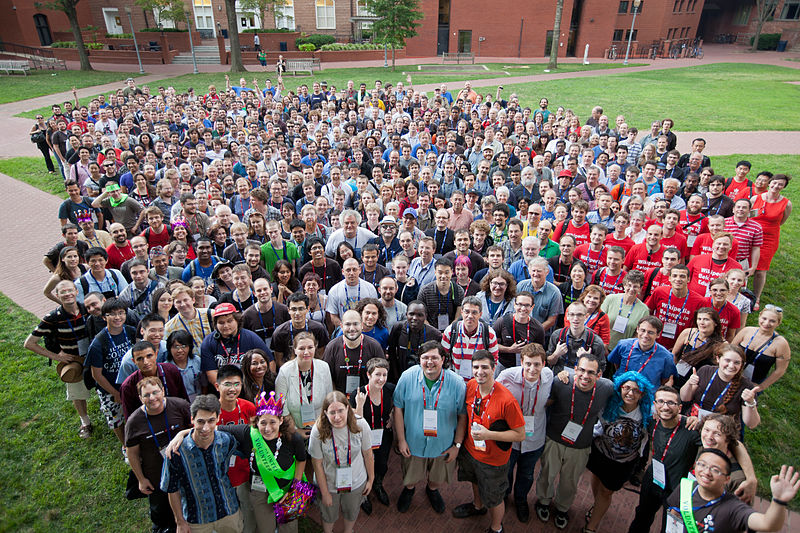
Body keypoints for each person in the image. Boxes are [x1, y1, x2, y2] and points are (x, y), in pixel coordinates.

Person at [534, 352, 614, 530]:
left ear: (599, 375)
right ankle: (543, 502)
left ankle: (562, 508)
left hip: (580, 445)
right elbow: (543, 401)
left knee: (570, 480)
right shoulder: (560, 382)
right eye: (582, 370)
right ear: (575, 369)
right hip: (554, 438)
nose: (586, 376)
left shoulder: (606, 388)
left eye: (591, 372)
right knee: (547, 474)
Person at [452, 350, 525, 533]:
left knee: (494, 497)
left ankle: (496, 527)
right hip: (470, 451)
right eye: (476, 367)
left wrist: (489, 435)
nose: (479, 371)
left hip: (493, 460)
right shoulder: (470, 386)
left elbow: (520, 434)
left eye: (485, 367)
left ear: (494, 369)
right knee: (474, 481)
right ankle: (478, 507)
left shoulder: (507, 401)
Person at [393, 340, 467, 514]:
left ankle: (432, 490)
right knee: (410, 477)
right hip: (413, 443)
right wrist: (402, 440)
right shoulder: (407, 377)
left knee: (437, 478)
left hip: (443, 445)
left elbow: (462, 416)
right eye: (425, 357)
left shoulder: (457, 383)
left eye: (434, 357)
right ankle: (409, 490)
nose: (429, 362)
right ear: (419, 359)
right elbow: (398, 408)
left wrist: (457, 445)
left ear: (443, 359)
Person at [583, 371, 655, 533]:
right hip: (600, 454)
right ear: (620, 388)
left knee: (607, 491)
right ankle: (597, 505)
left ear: (642, 394)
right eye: (626, 388)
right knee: (597, 479)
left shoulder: (648, 414)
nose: (630, 393)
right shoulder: (608, 405)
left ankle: (591, 528)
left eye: (636, 390)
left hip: (624, 463)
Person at [161, 395, 244, 533]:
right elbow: (172, 489)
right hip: (197, 520)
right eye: (200, 421)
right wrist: (180, 522)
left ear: (218, 418)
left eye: (211, 421)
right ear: (192, 419)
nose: (205, 428)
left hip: (229, 512)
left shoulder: (227, 441)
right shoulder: (176, 452)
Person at [665, 449, 800, 533]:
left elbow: (768, 524)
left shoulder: (733, 508)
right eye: (702, 464)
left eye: (715, 469)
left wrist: (779, 500)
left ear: (726, 479)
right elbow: (674, 512)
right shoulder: (686, 487)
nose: (706, 472)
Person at [627, 385, 702, 533]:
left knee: (671, 527)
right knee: (642, 516)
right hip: (653, 477)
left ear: (679, 408)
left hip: (677, 488)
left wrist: (750, 477)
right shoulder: (652, 421)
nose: (665, 407)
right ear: (655, 405)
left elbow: (730, 443)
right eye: (660, 402)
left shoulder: (691, 429)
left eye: (671, 403)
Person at [24, 280, 94, 439]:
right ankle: (85, 423)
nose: (68, 294)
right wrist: (56, 356)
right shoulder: (52, 317)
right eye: (63, 292)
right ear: (57, 296)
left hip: (92, 357)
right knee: (77, 393)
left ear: (76, 292)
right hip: (74, 361)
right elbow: (29, 343)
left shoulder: (87, 309)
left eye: (70, 290)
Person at [125, 377, 192, 533]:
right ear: (140, 398)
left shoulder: (180, 406)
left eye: (155, 392)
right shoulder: (134, 422)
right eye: (146, 395)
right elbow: (132, 454)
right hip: (157, 477)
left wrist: (182, 433)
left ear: (163, 391)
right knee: (163, 519)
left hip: (187, 470)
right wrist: (141, 479)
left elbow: (197, 429)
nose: (152, 398)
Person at [496, 343, 554, 523]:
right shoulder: (506, 377)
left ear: (544, 364)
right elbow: (493, 396)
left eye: (537, 364)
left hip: (534, 437)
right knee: (506, 472)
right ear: (521, 362)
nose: (532, 368)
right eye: (528, 363)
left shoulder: (549, 376)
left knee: (527, 473)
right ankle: (504, 497)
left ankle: (521, 500)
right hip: (511, 438)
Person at [309, 391, 375, 533]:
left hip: (356, 481)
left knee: (351, 511)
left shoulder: (361, 425)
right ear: (325, 412)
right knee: (328, 515)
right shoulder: (318, 430)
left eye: (340, 411)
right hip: (329, 484)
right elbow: (317, 464)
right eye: (332, 412)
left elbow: (368, 454)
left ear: (347, 408)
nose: (337, 417)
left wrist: (371, 479)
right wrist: (325, 493)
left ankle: (348, 531)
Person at [87, 297, 136, 448]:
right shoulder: (98, 342)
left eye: (121, 313)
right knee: (117, 419)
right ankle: (126, 446)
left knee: (133, 415)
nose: (117, 317)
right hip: (110, 389)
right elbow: (97, 374)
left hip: (132, 384)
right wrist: (115, 392)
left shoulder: (131, 331)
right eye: (112, 314)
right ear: (104, 317)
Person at [680, 345, 760, 432]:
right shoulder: (705, 370)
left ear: (741, 365)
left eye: (737, 363)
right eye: (727, 360)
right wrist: (689, 384)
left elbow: (751, 424)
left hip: (720, 431)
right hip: (693, 422)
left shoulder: (746, 386)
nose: (731, 366)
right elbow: (685, 398)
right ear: (718, 359)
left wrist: (750, 403)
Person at [351, 358, 394, 514]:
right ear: (368, 375)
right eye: (377, 374)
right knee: (363, 464)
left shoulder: (390, 389)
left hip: (383, 435)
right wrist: (360, 405)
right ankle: (364, 495)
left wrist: (393, 416)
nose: (381, 379)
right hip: (364, 438)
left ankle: (377, 484)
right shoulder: (358, 393)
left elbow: (396, 407)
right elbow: (356, 423)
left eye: (384, 374)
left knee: (382, 463)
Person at [199, 302, 273, 387]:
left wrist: (263, 385)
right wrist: (230, 389)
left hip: (250, 386)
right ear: (216, 324)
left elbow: (270, 362)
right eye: (221, 322)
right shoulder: (208, 342)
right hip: (223, 389)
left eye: (230, 321)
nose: (226, 326)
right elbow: (211, 373)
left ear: (237, 320)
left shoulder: (251, 337)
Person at [276, 331, 334, 437]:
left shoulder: (324, 367)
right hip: (294, 430)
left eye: (310, 347)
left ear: (315, 348)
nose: (306, 352)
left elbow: (328, 400)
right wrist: (295, 430)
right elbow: (281, 406)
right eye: (301, 348)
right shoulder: (285, 371)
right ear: (295, 350)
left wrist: (321, 427)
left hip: (320, 427)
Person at [750, 173, 792, 308]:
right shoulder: (755, 199)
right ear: (769, 183)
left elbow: (781, 221)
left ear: (783, 187)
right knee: (744, 264)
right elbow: (748, 215)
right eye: (774, 183)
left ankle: (756, 296)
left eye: (780, 184)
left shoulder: (786, 204)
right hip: (751, 235)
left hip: (769, 239)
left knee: (761, 270)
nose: (776, 186)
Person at [120, 340, 188, 419]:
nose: (145, 362)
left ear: (156, 354)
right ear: (134, 361)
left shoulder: (171, 370)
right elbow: (130, 418)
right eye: (140, 359)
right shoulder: (128, 386)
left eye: (149, 356)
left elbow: (184, 399)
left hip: (176, 417)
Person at [323, 309, 386, 395]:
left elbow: (381, 376)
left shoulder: (374, 346)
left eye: (356, 324)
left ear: (362, 325)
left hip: (368, 399)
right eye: (348, 324)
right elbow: (327, 378)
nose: (352, 328)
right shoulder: (332, 347)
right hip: (341, 402)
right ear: (341, 326)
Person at [732, 304, 791, 391]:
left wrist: (761, 386)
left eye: (772, 321)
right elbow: (730, 350)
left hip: (752, 384)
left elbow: (780, 370)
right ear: (759, 316)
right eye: (764, 318)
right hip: (731, 374)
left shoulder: (781, 344)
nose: (767, 323)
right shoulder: (746, 331)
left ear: (778, 323)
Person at [646, 264, 704, 350]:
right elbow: (648, 313)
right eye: (674, 276)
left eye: (682, 276)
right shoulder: (659, 291)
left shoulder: (699, 300)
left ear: (688, 279)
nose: (678, 279)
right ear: (669, 278)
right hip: (655, 342)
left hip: (681, 346)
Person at [607, 316, 677, 388]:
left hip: (647, 395)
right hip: (621, 390)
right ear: (637, 329)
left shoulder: (666, 356)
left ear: (658, 334)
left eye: (650, 332)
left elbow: (665, 379)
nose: (645, 335)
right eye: (643, 330)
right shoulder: (623, 345)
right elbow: (616, 364)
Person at [441, 296, 500, 380]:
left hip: (479, 382)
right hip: (455, 381)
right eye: (467, 312)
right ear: (461, 312)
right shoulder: (451, 331)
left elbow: (494, 360)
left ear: (480, 314)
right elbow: (444, 358)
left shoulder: (488, 333)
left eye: (474, 312)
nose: (470, 316)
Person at [387, 301, 443, 382]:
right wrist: (396, 377)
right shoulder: (398, 328)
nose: (415, 318)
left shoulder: (434, 334)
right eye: (411, 314)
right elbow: (391, 353)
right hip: (400, 375)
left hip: (425, 378)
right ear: (406, 315)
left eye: (419, 315)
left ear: (425, 316)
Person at [546, 301, 606, 374]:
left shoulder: (596, 342)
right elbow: (549, 362)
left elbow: (600, 370)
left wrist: (586, 359)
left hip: (583, 379)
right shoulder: (557, 335)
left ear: (586, 316)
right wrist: (556, 355)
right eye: (572, 314)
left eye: (579, 315)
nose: (575, 318)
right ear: (567, 316)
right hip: (558, 376)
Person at [271, 292, 329, 365]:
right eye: (294, 309)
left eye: (301, 309)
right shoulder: (280, 332)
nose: (297, 313)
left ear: (307, 309)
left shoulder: (318, 329)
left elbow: (321, 355)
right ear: (288, 310)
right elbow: (279, 360)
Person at [494, 292, 546, 372]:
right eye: (520, 304)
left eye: (527, 305)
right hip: (503, 366)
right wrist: (509, 349)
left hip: (526, 369)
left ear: (532, 307)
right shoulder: (502, 321)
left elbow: (540, 352)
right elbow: (491, 345)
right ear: (514, 305)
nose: (523, 308)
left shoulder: (538, 328)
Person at [600, 270, 650, 350]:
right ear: (624, 285)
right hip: (602, 346)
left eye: (635, 286)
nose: (631, 289)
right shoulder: (610, 299)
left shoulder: (644, 310)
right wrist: (603, 346)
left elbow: (638, 334)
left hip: (623, 351)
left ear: (640, 289)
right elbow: (599, 322)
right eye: (629, 285)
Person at [325, 258, 378, 329]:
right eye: (348, 270)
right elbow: (333, 316)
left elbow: (374, 311)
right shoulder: (334, 290)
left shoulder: (370, 288)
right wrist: (346, 328)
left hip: (366, 328)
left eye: (354, 269)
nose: (351, 273)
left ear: (359, 270)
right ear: (343, 272)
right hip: (344, 329)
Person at [241, 277, 291, 352]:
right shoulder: (247, 315)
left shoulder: (283, 310)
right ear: (254, 293)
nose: (262, 292)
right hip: (259, 356)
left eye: (265, 289)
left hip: (283, 353)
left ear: (271, 289)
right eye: (259, 290)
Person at [164, 286, 212, 358]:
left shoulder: (210, 314)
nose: (183, 304)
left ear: (193, 300)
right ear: (174, 305)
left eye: (185, 300)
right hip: (192, 363)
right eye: (178, 302)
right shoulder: (170, 327)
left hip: (214, 358)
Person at [418, 258, 464, 329]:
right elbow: (421, 317)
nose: (443, 276)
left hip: (451, 331)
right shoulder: (425, 291)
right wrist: (434, 333)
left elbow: (458, 317)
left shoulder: (458, 290)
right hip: (429, 331)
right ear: (435, 272)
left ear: (452, 272)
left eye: (446, 272)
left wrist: (447, 333)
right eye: (440, 272)